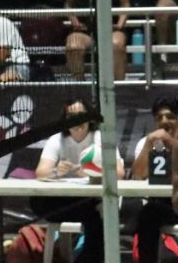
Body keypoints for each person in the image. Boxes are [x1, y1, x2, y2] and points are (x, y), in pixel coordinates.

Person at [31, 99, 124, 263]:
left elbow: (119, 173)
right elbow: (40, 173)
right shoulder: (57, 139)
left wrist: (91, 173)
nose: (77, 121)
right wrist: (56, 171)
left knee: (95, 217)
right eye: (72, 116)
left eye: (81, 115)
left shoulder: (100, 138)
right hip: (67, 201)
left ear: (89, 118)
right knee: (37, 202)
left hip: (93, 199)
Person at [130, 97, 178, 262]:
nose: (164, 121)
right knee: (147, 214)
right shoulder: (148, 142)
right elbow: (138, 175)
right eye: (159, 118)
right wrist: (149, 144)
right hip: (163, 205)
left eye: (170, 117)